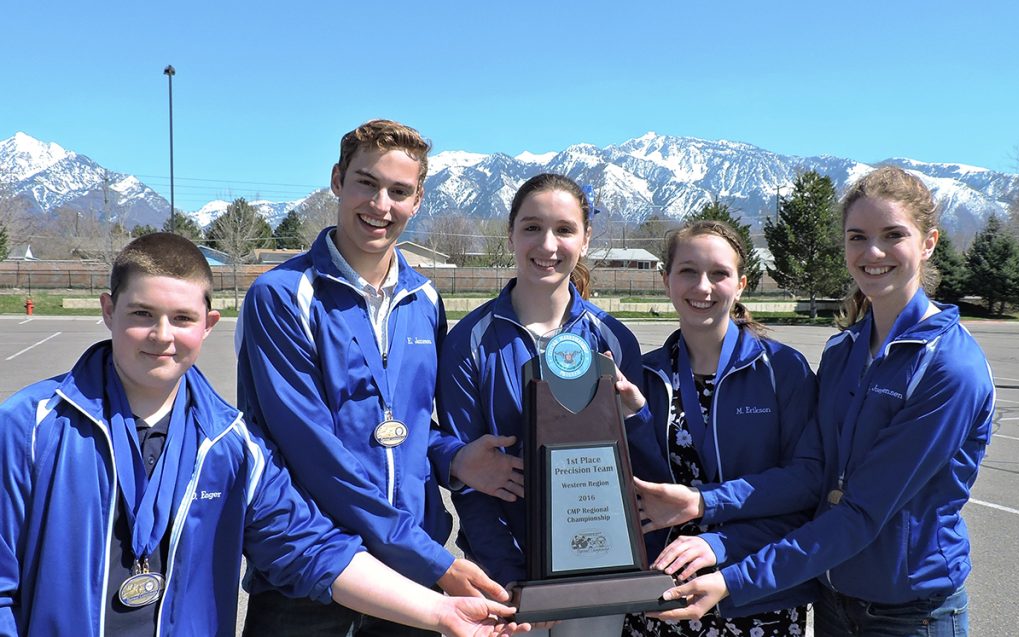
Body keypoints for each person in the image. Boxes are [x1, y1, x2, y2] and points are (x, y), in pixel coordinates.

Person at [0, 233, 529, 637]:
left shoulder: (231, 446)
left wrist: (441, 611)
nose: (162, 336)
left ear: (207, 326)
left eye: (181, 318)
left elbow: (311, 548)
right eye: (142, 314)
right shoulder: (28, 428)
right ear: (108, 311)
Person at [641, 166, 994, 636]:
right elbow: (815, 476)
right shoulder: (844, 351)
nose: (872, 253)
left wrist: (734, 577)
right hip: (831, 597)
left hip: (909, 613)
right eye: (857, 237)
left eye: (893, 235)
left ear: (928, 242)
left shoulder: (949, 368)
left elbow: (861, 512)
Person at [236, 119, 518, 636]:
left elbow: (405, 425)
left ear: (418, 200)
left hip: (407, 576)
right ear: (338, 180)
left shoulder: (425, 299)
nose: (380, 205)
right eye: (367, 183)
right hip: (313, 572)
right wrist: (434, 560)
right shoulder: (282, 295)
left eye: (399, 191)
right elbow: (313, 452)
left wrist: (452, 456)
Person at [436, 173, 648, 637]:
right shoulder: (468, 343)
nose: (547, 244)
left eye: (565, 229)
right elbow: (469, 478)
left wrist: (638, 413)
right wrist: (508, 575)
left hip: (594, 574)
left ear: (586, 239)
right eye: (532, 227)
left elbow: (639, 462)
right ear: (510, 234)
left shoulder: (612, 339)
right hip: (500, 577)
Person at [621, 220, 817, 637]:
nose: (702, 287)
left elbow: (806, 484)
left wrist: (707, 514)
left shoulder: (783, 370)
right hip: (663, 591)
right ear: (666, 280)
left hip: (755, 588)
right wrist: (635, 418)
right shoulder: (645, 375)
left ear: (742, 284)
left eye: (719, 274)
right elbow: (639, 488)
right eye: (688, 271)